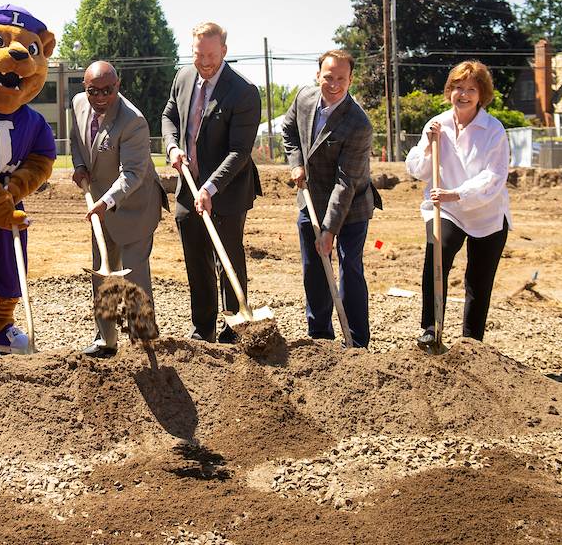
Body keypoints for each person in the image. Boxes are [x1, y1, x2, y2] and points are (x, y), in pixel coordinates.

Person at [162, 22, 262, 343]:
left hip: (227, 191)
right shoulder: (183, 77)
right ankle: (202, 328)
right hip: (187, 188)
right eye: (198, 54)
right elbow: (167, 116)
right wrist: (172, 146)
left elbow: (239, 151)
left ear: (224, 51)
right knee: (197, 260)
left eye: (211, 55)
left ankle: (234, 327)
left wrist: (210, 187)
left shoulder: (243, 92)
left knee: (227, 260)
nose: (205, 62)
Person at [405, 60, 511, 343]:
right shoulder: (437, 124)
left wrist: (458, 193)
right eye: (458, 87)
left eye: (471, 89)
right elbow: (418, 169)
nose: (463, 94)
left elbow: (495, 175)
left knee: (478, 280)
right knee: (436, 256)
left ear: (482, 94)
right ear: (450, 90)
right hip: (446, 209)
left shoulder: (494, 130)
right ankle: (431, 328)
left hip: (486, 214)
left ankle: (471, 343)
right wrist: (428, 144)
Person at [281, 50, 381, 348]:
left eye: (341, 78)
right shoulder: (304, 98)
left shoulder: (358, 123)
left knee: (349, 268)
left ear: (351, 79)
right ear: (318, 76)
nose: (334, 84)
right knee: (314, 268)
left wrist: (329, 231)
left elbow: (346, 182)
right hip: (310, 198)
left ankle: (357, 342)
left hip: (349, 206)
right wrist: (296, 163)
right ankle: (320, 335)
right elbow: (288, 130)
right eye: (328, 76)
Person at [69, 61, 168, 358]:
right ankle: (105, 340)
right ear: (84, 89)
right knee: (102, 273)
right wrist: (79, 166)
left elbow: (134, 174)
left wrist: (107, 201)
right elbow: (76, 139)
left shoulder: (132, 120)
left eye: (107, 90)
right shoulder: (77, 104)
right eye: (93, 90)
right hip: (100, 206)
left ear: (118, 85)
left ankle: (143, 342)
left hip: (135, 206)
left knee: (134, 276)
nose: (100, 96)